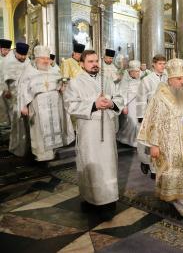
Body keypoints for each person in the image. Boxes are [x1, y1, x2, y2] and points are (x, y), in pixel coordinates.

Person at [137, 58, 183, 220]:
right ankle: (180, 204)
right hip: (168, 146)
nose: (182, 82)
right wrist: (153, 145)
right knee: (170, 174)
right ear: (170, 79)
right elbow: (153, 122)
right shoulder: (160, 97)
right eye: (179, 79)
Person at [63, 50, 124, 220]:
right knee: (91, 163)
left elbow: (120, 98)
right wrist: (94, 105)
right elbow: (70, 105)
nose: (95, 64)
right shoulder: (75, 83)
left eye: (96, 61)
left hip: (107, 128)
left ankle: (109, 200)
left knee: (108, 164)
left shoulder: (107, 81)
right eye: (90, 61)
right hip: (89, 131)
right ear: (82, 64)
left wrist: (112, 103)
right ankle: (91, 200)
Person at [18, 46, 74, 161]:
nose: (45, 61)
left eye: (47, 59)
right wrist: (23, 106)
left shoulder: (55, 71)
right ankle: (41, 154)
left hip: (54, 105)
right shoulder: (28, 72)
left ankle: (53, 151)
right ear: (36, 59)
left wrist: (63, 86)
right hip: (38, 106)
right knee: (39, 130)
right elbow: (22, 90)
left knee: (55, 128)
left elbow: (61, 87)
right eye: (42, 58)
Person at [136, 54, 167, 178]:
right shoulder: (147, 80)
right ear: (153, 64)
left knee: (164, 143)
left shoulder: (167, 78)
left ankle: (162, 167)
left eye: (164, 64)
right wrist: (141, 116)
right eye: (160, 64)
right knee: (153, 144)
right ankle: (153, 169)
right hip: (152, 115)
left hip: (165, 115)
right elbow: (141, 98)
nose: (162, 66)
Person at [3, 42, 31, 157]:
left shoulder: (28, 62)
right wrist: (6, 90)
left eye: (25, 55)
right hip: (15, 97)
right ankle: (16, 147)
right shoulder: (8, 62)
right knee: (17, 123)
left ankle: (29, 147)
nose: (23, 58)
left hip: (27, 96)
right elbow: (4, 79)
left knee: (29, 124)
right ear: (16, 53)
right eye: (21, 55)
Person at [117, 60, 141, 147]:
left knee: (137, 122)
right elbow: (122, 93)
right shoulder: (125, 80)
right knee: (131, 122)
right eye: (137, 71)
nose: (139, 73)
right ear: (131, 72)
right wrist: (124, 106)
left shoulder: (139, 79)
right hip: (129, 103)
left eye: (139, 71)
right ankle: (126, 138)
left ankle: (135, 139)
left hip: (137, 103)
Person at [0, 39, 13, 124]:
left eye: (8, 50)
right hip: (1, 90)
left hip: (11, 90)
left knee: (12, 111)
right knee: (2, 112)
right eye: (5, 50)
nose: (7, 52)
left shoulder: (12, 59)